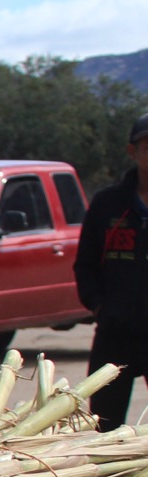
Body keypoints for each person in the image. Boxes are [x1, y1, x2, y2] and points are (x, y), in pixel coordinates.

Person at [75, 114, 148, 431]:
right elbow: (85, 264)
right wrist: (100, 306)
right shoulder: (108, 204)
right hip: (114, 335)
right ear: (132, 151)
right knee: (103, 428)